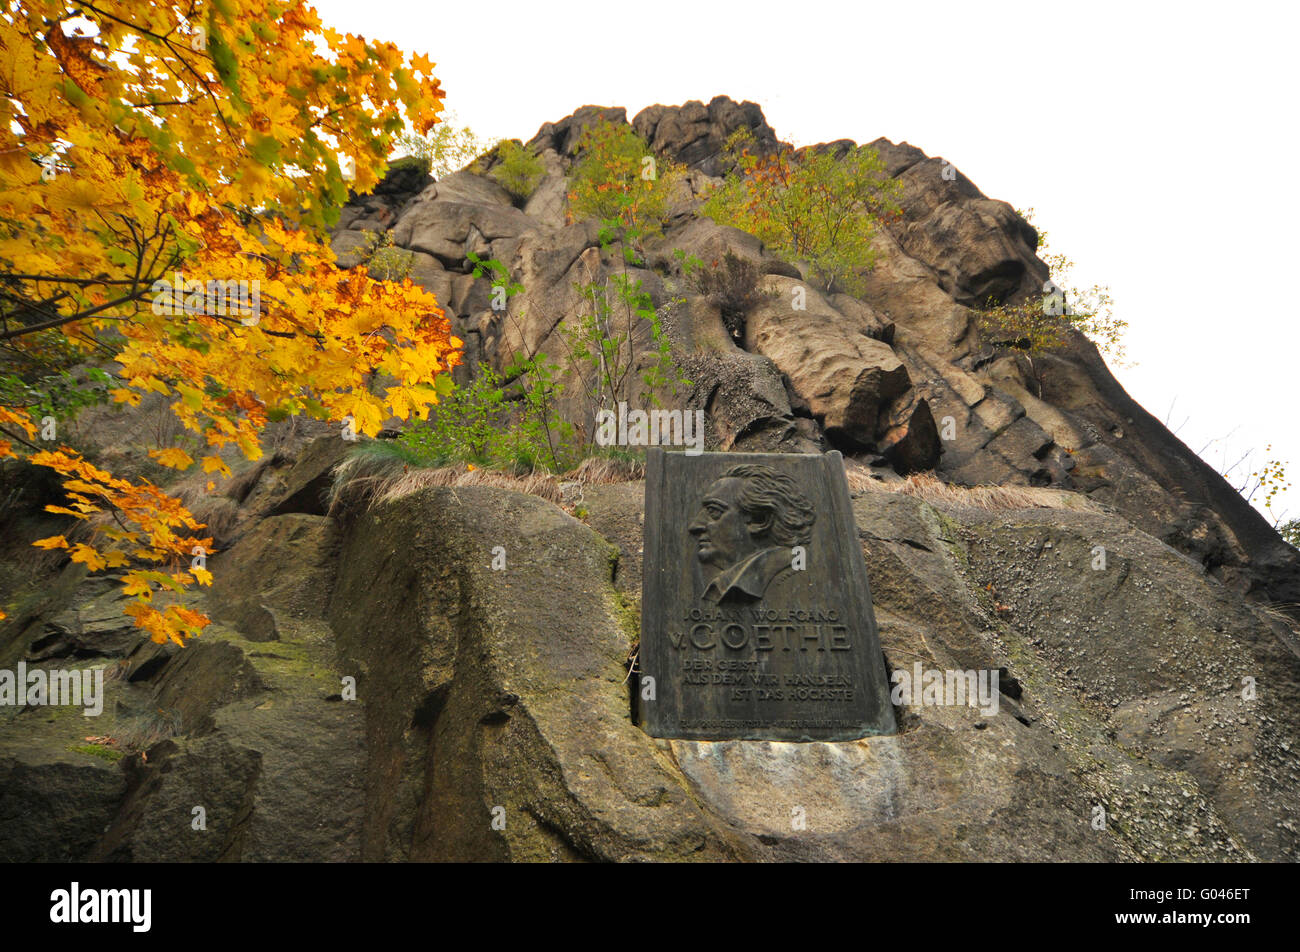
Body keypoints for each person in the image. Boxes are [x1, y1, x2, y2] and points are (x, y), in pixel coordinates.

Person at [688, 463, 816, 604]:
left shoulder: (791, 576)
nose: (695, 526)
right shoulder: (727, 582)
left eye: (714, 511)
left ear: (759, 520)